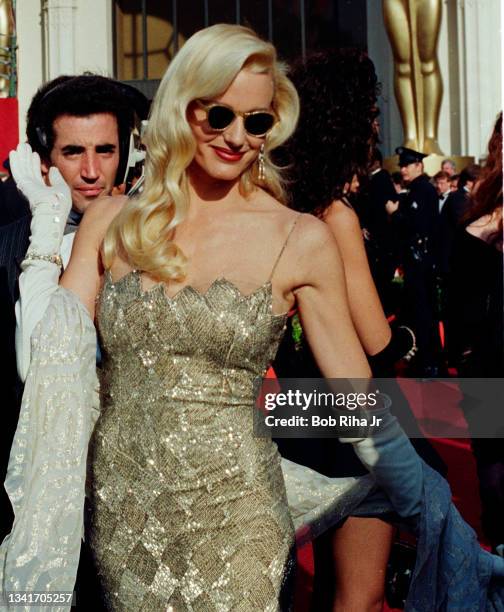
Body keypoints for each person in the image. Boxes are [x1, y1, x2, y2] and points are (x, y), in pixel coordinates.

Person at [3, 25, 504, 612]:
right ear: (182, 109)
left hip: (238, 516)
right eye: (219, 116)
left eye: (256, 121)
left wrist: (432, 508)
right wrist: (44, 225)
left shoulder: (299, 236)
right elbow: (42, 359)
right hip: (123, 517)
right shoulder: (113, 222)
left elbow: (356, 400)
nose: (236, 137)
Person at [272, 49, 444, 611]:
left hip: (295, 416)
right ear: (341, 120)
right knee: (362, 597)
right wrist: (412, 339)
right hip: (353, 420)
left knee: (322, 584)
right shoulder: (336, 217)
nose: (376, 124)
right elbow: (375, 340)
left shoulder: (279, 210)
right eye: (369, 112)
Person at [448, 116, 503, 551]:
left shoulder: (476, 221)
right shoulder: (476, 222)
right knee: (491, 457)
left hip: (483, 359)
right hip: (486, 359)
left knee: (492, 456)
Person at [386, 146, 441, 375]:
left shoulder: (423, 190)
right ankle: (425, 358)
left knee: (423, 311)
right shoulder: (416, 189)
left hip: (420, 263)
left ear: (419, 165)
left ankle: (428, 361)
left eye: (407, 165)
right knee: (419, 310)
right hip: (416, 263)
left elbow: (416, 227)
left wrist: (395, 214)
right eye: (402, 165)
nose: (403, 169)